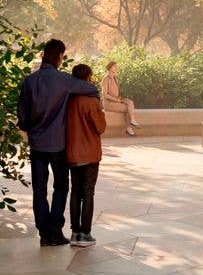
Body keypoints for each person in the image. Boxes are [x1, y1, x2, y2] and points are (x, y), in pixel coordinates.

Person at [17, 39, 99, 247]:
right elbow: (91, 89)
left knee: (39, 189)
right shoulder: (63, 80)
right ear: (60, 56)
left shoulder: (28, 81)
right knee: (61, 187)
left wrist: (33, 128)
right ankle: (55, 231)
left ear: (43, 55)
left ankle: (44, 233)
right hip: (58, 145)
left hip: (37, 144)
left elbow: (22, 118)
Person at [65, 64, 106, 248]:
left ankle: (74, 233)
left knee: (75, 191)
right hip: (90, 153)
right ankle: (86, 234)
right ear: (88, 78)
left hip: (72, 152)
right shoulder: (91, 101)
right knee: (88, 191)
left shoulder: (67, 100)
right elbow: (100, 127)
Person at [101, 61, 141, 136]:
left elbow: (116, 92)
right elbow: (105, 95)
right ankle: (129, 128)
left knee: (130, 102)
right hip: (109, 103)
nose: (116, 68)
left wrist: (120, 99)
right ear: (110, 68)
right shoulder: (106, 79)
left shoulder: (115, 78)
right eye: (114, 66)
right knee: (128, 108)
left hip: (116, 100)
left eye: (116, 66)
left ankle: (132, 120)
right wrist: (116, 100)